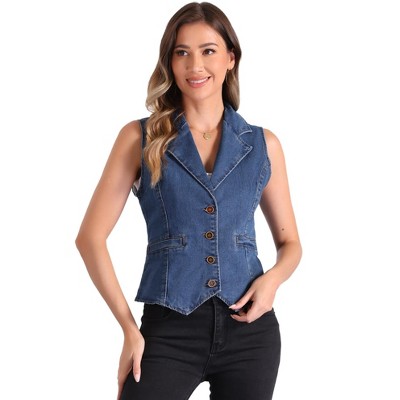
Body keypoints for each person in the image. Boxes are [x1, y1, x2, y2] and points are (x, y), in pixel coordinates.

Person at [75, 2, 302, 399]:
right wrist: (129, 329)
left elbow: (291, 244)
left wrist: (272, 281)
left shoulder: (263, 145)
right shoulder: (140, 138)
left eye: (208, 51)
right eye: (182, 52)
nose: (195, 65)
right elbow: (89, 238)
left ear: (231, 58)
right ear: (170, 61)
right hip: (168, 330)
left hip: (251, 333)